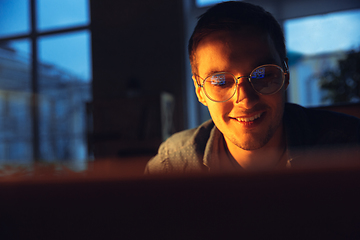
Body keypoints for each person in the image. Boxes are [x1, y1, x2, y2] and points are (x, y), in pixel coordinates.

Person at [145, 1, 360, 174]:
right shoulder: (172, 165)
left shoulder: (349, 148)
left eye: (263, 75)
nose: (246, 99)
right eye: (221, 81)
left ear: (285, 76)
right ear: (200, 91)